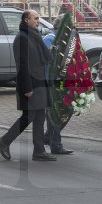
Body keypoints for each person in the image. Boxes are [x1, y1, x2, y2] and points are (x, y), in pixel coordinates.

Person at [0, 10, 57, 161]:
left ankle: (39, 151)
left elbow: (39, 58)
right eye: (35, 18)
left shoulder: (34, 35)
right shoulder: (22, 38)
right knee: (29, 116)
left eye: (38, 18)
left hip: (39, 81)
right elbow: (22, 65)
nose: (38, 21)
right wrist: (27, 88)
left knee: (40, 117)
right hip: (30, 83)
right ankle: (4, 141)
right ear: (26, 20)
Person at [41, 17, 73, 155]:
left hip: (61, 81)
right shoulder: (50, 38)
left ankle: (49, 137)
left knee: (68, 109)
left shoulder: (66, 39)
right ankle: (55, 144)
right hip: (50, 82)